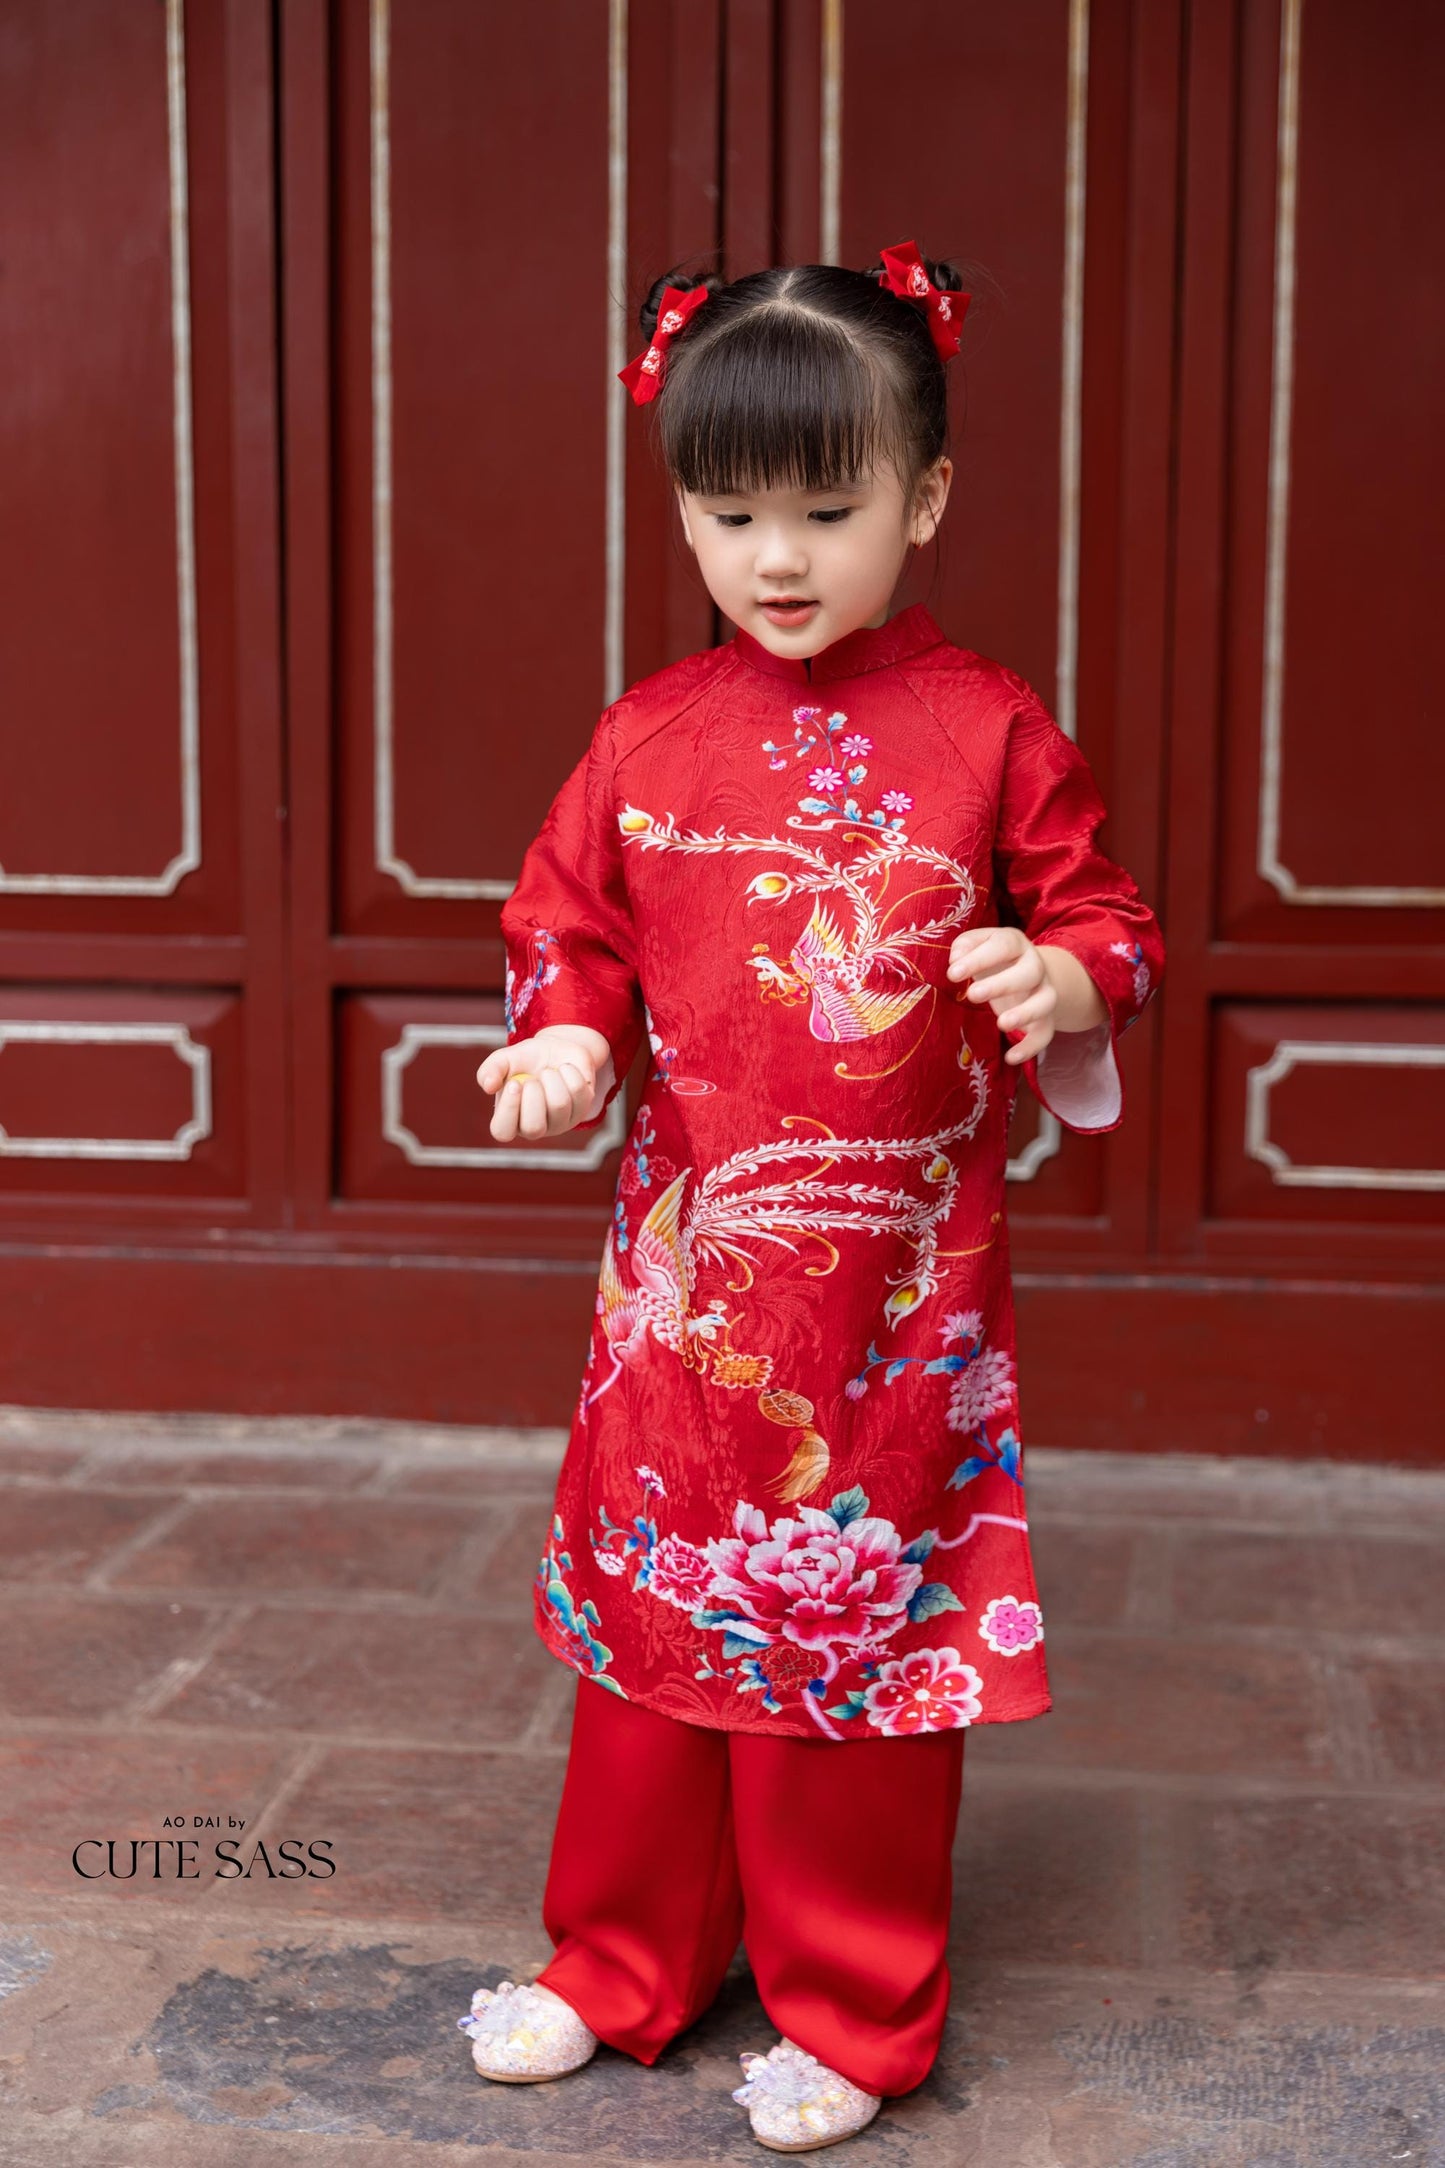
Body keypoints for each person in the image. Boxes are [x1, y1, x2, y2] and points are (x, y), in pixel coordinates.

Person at [463, 240, 1166, 2153]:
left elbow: (1105, 913)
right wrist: (565, 1040)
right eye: (728, 513)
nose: (777, 559)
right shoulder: (648, 735)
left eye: (829, 510)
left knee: (852, 1618)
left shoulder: (986, 729)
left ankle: (852, 2010)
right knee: (655, 1616)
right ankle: (620, 1964)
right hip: (685, 1272)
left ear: (923, 500)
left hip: (892, 1288)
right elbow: (569, 924)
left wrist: (1063, 977)